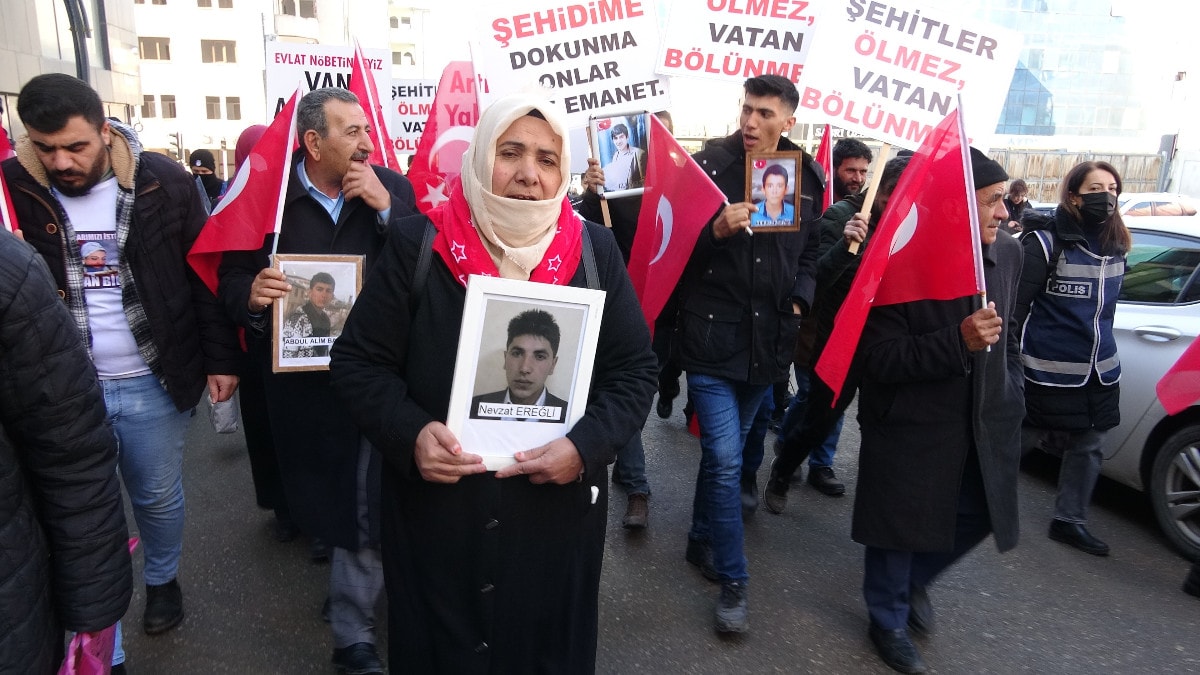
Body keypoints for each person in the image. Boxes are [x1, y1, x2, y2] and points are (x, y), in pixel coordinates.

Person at [328, 92, 656, 671]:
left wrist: (584, 448)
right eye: (510, 153)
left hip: (553, 522)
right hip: (438, 518)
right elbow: (358, 362)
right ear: (481, 158)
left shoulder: (594, 252)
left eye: (547, 159)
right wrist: (411, 434)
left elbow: (634, 372)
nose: (529, 174)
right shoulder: (419, 243)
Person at [3, 74, 240, 659]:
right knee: (80, 513)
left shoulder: (165, 181)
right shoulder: (11, 190)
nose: (61, 161)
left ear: (105, 131)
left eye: (75, 146)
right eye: (45, 147)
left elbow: (202, 275)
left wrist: (221, 359)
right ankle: (101, 649)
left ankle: (161, 579)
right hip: (58, 391)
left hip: (151, 380)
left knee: (156, 497)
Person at [218, 87, 417, 675]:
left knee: (366, 499)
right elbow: (230, 277)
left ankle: (353, 632)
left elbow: (426, 262)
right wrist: (251, 295)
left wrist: (390, 211)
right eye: (352, 132)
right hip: (300, 385)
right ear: (312, 142)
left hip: (376, 379)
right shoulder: (269, 198)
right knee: (326, 496)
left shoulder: (390, 186)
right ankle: (348, 587)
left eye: (366, 129)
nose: (367, 143)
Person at [850, 149, 1023, 674]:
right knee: (899, 524)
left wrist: (1012, 389)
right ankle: (887, 619)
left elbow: (1010, 333)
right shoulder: (900, 252)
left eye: (1003, 200)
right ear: (957, 205)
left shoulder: (1009, 253)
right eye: (993, 201)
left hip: (983, 415)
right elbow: (874, 358)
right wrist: (956, 341)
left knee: (984, 508)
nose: (1005, 212)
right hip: (910, 418)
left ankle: (913, 580)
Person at [673, 74, 824, 632]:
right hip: (712, 342)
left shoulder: (806, 175)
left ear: (788, 120)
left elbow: (809, 254)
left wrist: (800, 300)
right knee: (727, 459)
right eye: (746, 110)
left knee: (724, 455)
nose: (751, 122)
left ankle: (699, 539)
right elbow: (670, 248)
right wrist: (714, 231)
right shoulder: (708, 166)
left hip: (769, 345)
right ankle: (735, 581)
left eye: (764, 113)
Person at [0, 229, 132, 675]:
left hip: (12, 621)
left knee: (157, 497)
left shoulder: (8, 269)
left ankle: (162, 580)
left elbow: (71, 460)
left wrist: (94, 623)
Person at [765, 154, 910, 513]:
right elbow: (816, 280)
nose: (898, 204)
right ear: (881, 189)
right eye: (892, 194)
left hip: (885, 342)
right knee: (821, 418)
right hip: (838, 339)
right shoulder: (843, 217)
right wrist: (846, 246)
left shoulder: (910, 224)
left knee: (885, 423)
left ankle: (870, 496)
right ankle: (783, 470)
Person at [1014, 161, 1130, 558]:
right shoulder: (1045, 242)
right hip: (1044, 370)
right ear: (1074, 196)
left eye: (1112, 188)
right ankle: (969, 499)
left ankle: (1069, 521)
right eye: (1095, 188)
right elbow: (1016, 309)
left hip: (1099, 370)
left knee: (1090, 444)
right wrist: (1008, 364)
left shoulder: (1118, 246)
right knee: (1017, 443)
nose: (1106, 196)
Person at [578, 110, 674, 530]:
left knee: (645, 388)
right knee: (626, 382)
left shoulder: (683, 182)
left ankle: (625, 462)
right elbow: (589, 230)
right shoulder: (615, 182)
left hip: (665, 306)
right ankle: (637, 486)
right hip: (622, 301)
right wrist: (592, 194)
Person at [469, 309, 570, 423]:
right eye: (517, 354)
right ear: (505, 359)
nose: (524, 368)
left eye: (539, 357)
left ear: (553, 365)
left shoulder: (570, 417)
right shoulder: (472, 408)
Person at [282, 271, 336, 358]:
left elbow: (324, 351)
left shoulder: (326, 319)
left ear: (332, 296)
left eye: (328, 291)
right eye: (319, 289)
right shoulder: (297, 319)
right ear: (309, 292)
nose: (324, 295)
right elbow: (287, 356)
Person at [602, 121, 646, 191]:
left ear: (627, 137)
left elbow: (645, 182)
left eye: (621, 137)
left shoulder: (639, 153)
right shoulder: (615, 156)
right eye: (615, 138)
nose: (618, 141)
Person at [189, 148, 227, 213]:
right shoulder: (188, 188)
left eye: (204, 171)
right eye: (196, 171)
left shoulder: (224, 188)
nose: (200, 174)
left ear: (212, 170)